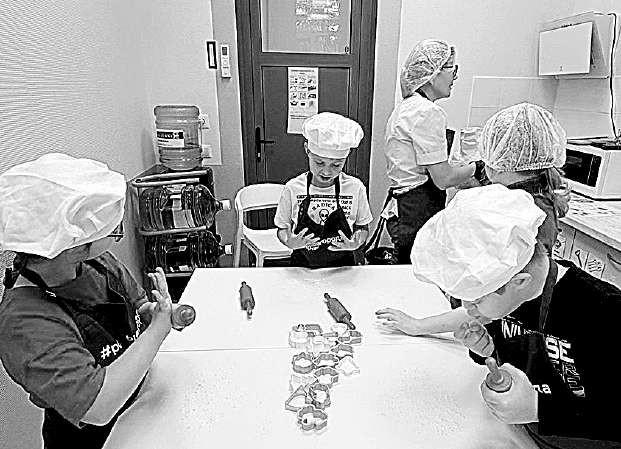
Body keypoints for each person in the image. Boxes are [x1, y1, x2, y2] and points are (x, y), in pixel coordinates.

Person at [397, 185, 621, 447]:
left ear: (519, 282)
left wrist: (540, 409)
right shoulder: (512, 300)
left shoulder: (606, 312)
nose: (469, 309)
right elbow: (521, 356)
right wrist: (487, 350)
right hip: (528, 435)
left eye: (477, 300)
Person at [0, 153, 175, 449]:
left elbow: (138, 306)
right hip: (92, 437)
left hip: (140, 405)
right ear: (74, 244)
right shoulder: (24, 322)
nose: (116, 235)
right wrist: (158, 330)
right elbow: (98, 407)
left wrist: (152, 312)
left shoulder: (98, 263)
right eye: (112, 230)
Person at [376, 102, 571, 331]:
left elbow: (488, 303)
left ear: (496, 165)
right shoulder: (517, 199)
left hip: (499, 326)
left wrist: (418, 326)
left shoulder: (525, 219)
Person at [383, 39, 487, 263]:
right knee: (417, 274)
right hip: (417, 210)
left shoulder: (408, 107)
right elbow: (443, 179)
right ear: (432, 73)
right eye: (451, 69)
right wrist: (478, 167)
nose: (454, 77)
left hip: (405, 206)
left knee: (406, 272)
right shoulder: (427, 112)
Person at [274, 112, 373, 268]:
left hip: (343, 268)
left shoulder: (355, 187)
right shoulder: (293, 188)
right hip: (302, 268)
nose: (327, 172)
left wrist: (356, 242)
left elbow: (362, 227)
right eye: (319, 163)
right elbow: (282, 227)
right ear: (307, 150)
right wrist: (289, 241)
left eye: (336, 165)